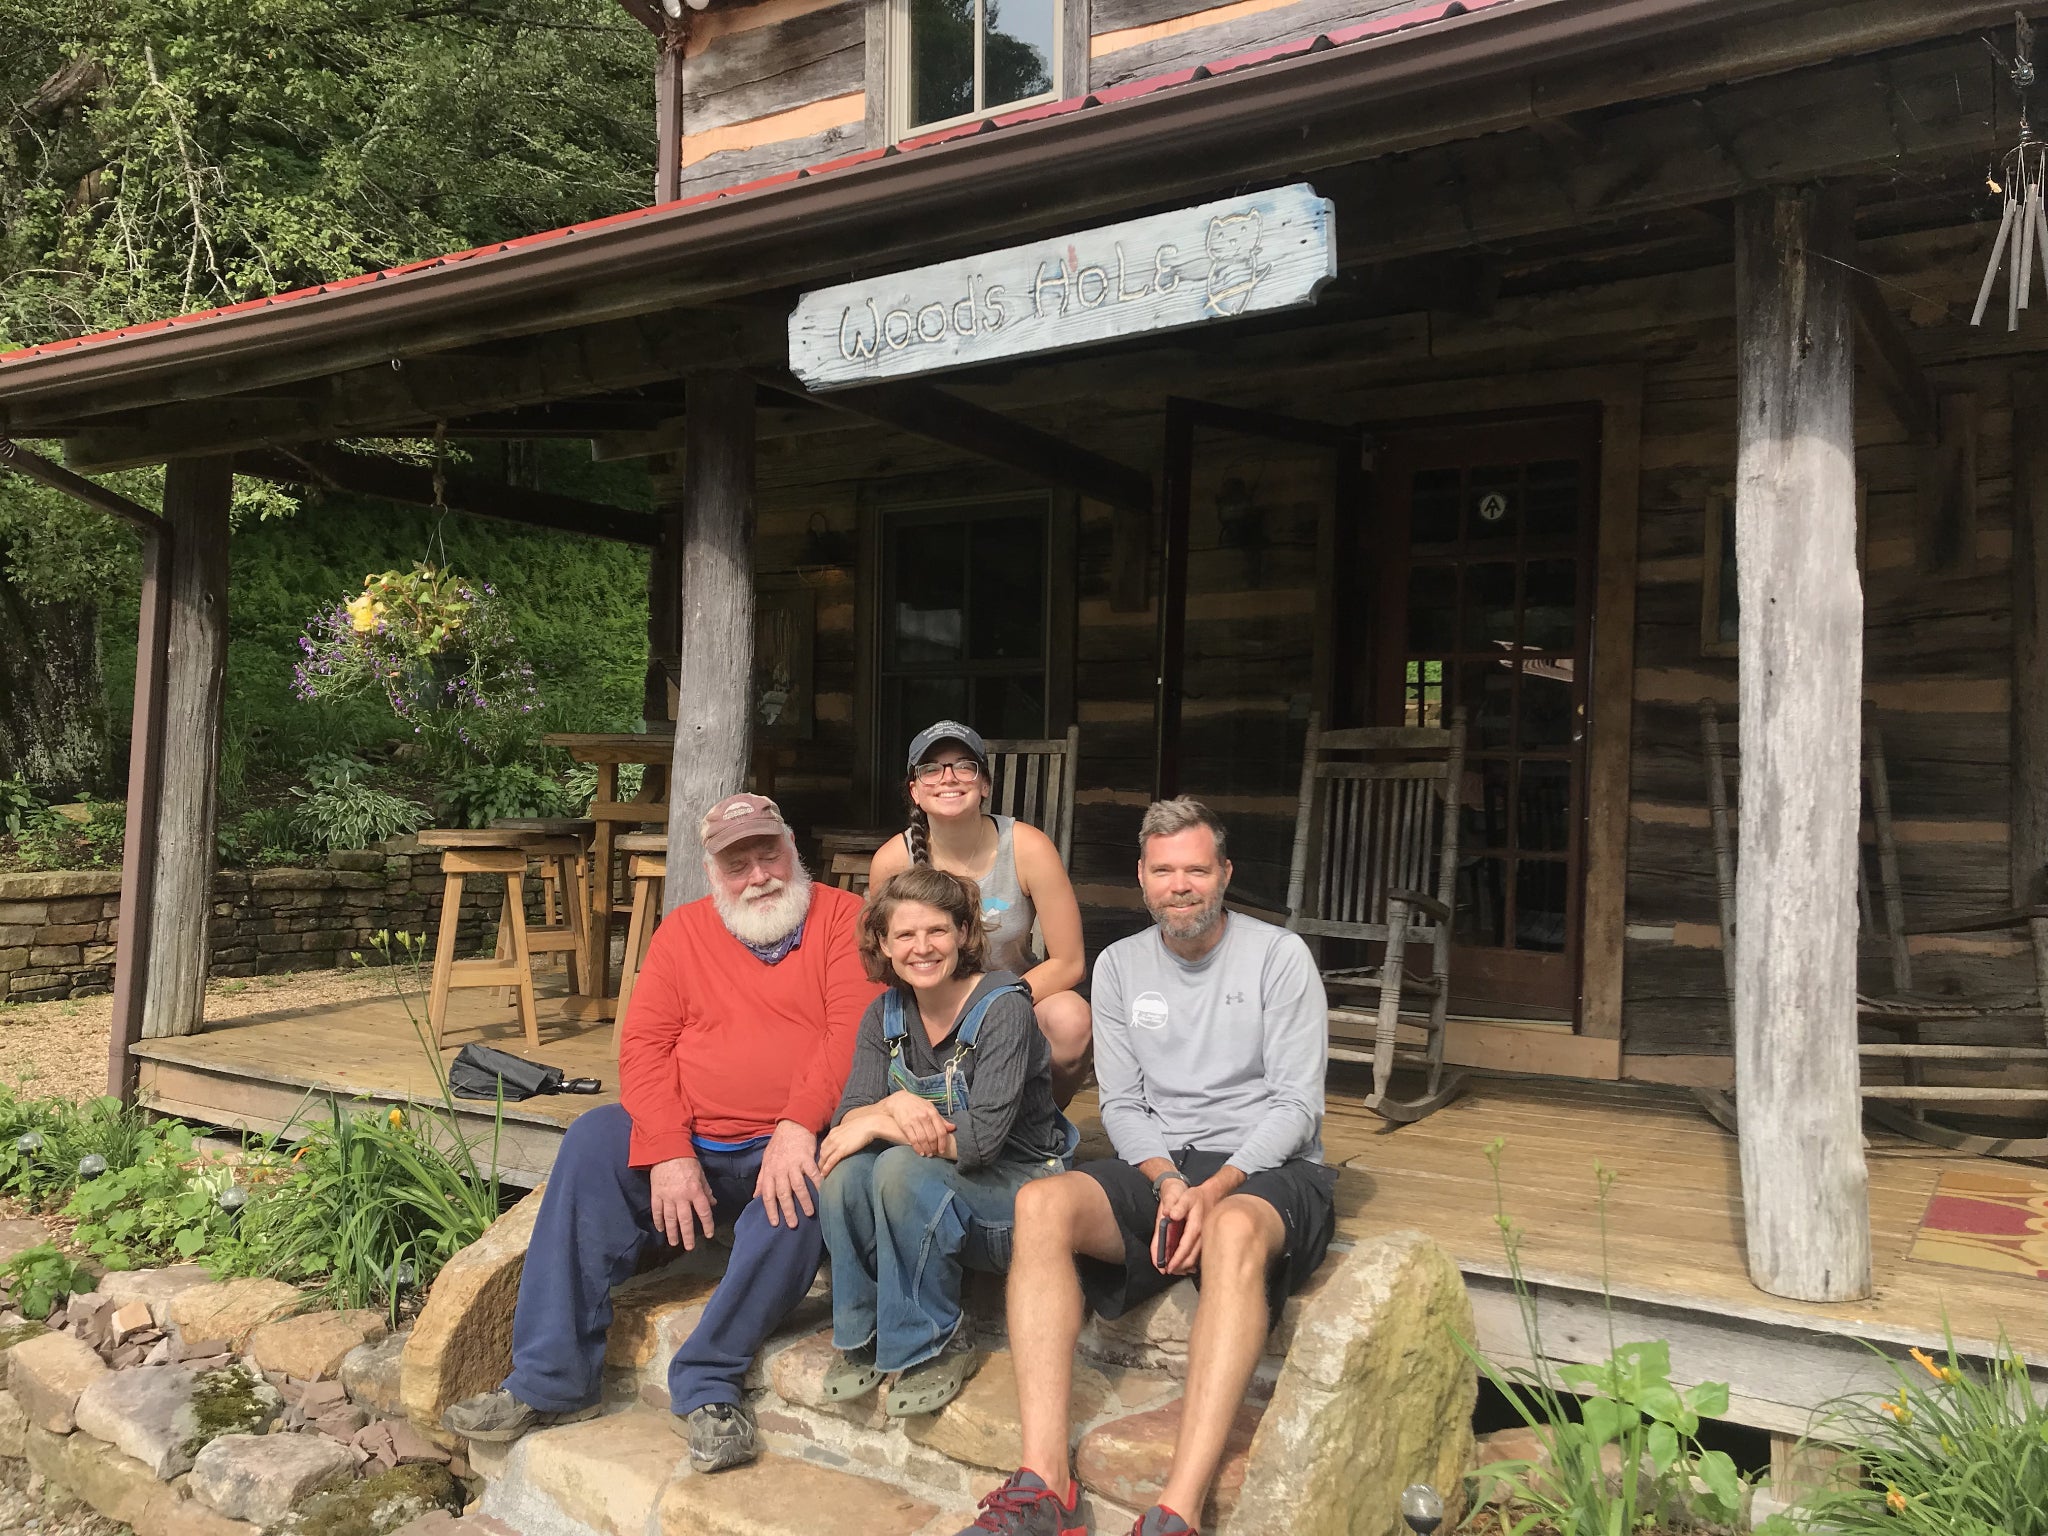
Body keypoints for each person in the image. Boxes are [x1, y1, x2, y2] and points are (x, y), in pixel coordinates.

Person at [442, 793, 880, 1472]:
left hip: (788, 1140)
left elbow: (849, 1035)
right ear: (713, 875)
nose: (759, 874)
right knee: (592, 1140)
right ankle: (549, 1380)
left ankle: (707, 1383)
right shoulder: (682, 932)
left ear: (795, 852)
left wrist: (798, 1126)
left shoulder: (841, 921)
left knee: (803, 1195)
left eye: (769, 853)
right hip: (696, 1140)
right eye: (738, 863)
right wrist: (670, 1150)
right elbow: (643, 1046)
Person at [960, 798, 1336, 1536]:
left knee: (1228, 1230)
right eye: (1164, 871)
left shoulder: (1278, 956)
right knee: (1041, 1206)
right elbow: (1123, 1104)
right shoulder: (1122, 965)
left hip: (1267, 1163)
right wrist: (1168, 1181)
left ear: (1225, 873)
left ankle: (1177, 1512)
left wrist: (1215, 1186)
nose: (1181, 885)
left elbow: (1297, 1107)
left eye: (1197, 868)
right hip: (1166, 1163)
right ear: (1142, 878)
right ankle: (1045, 1486)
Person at [815, 866, 1073, 1417]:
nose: (922, 948)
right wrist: (886, 1108)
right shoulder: (883, 1017)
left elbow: (979, 1141)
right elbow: (846, 1122)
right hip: (941, 1189)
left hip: (1021, 1195)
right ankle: (862, 1332)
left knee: (897, 1169)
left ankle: (935, 1342)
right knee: (845, 1173)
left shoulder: (1005, 1009)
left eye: (937, 931)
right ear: (883, 943)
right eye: (904, 935)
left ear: (962, 933)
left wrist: (885, 1116)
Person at [867, 721, 1092, 1104]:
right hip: (929, 1003)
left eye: (964, 766)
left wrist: (992, 1004)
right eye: (931, 769)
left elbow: (1069, 962)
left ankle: (1038, 1130)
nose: (948, 778)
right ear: (915, 791)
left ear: (985, 785)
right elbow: (885, 961)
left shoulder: (1028, 848)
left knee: (1071, 1020)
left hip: (1019, 996)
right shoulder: (892, 860)